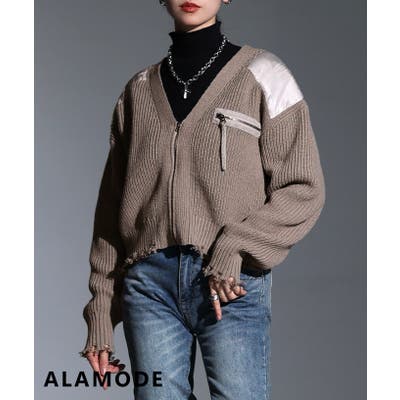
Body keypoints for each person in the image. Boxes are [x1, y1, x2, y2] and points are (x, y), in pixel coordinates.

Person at [79, 1, 326, 399]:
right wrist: (102, 312)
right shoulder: (137, 92)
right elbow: (110, 212)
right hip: (148, 287)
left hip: (230, 282)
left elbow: (303, 187)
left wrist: (236, 245)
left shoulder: (264, 75)